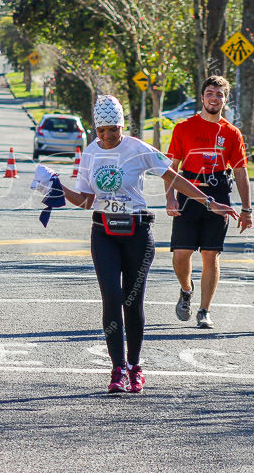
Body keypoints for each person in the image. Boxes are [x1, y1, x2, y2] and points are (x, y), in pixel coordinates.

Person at [41, 95, 237, 394]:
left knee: (132, 301)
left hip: (138, 230)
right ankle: (117, 369)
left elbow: (172, 175)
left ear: (123, 126)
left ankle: (135, 365)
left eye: (114, 130)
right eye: (102, 130)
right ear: (96, 128)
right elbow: (85, 201)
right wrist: (57, 187)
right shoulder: (91, 153)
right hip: (103, 230)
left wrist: (210, 202)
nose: (107, 136)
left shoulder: (137, 148)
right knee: (111, 297)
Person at [164, 76, 252, 329]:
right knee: (181, 254)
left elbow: (241, 172)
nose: (214, 98)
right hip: (187, 193)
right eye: (210, 93)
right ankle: (186, 289)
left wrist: (247, 209)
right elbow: (171, 168)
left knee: (210, 255)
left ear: (225, 100)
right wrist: (170, 198)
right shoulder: (183, 127)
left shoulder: (231, 133)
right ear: (202, 97)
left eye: (220, 94)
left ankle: (204, 310)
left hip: (219, 195)